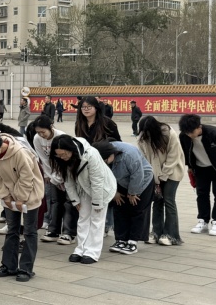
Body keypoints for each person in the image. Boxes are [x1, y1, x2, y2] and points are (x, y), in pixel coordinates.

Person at [0, 129, 44, 281]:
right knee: (12, 229)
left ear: (0, 146)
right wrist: (5, 195)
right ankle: (8, 265)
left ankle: (26, 269)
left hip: (30, 193)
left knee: (29, 232)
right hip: (9, 194)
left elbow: (27, 177)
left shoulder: (20, 152)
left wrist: (21, 198)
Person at [51, 135, 117, 265]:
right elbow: (68, 180)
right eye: (59, 155)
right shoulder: (63, 159)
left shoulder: (91, 154)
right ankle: (80, 249)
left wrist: (97, 202)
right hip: (83, 188)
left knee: (97, 220)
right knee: (83, 218)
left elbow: (98, 181)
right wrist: (75, 200)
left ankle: (92, 252)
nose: (62, 157)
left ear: (71, 149)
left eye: (64, 154)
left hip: (102, 189)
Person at [94, 140, 154, 256]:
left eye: (105, 161)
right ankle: (120, 240)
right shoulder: (99, 155)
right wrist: (114, 192)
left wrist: (133, 193)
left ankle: (133, 242)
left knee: (137, 210)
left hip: (142, 182)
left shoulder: (129, 154)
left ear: (111, 155)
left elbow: (138, 174)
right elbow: (101, 176)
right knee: (119, 209)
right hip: (119, 182)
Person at [178, 113, 216, 237]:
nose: (189, 135)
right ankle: (203, 220)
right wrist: (190, 166)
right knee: (201, 194)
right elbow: (185, 152)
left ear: (199, 127)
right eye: (187, 132)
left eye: (191, 132)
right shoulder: (184, 136)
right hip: (200, 168)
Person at [27, 114, 76, 246]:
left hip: (66, 173)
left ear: (51, 127)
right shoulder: (37, 139)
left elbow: (67, 159)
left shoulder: (61, 136)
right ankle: (53, 230)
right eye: (38, 132)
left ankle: (69, 233)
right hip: (52, 174)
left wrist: (61, 178)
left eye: (43, 132)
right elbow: (43, 158)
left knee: (69, 202)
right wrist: (49, 176)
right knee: (55, 202)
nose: (41, 135)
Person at [136, 116, 186, 246]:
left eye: (148, 132)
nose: (146, 134)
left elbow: (174, 156)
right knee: (157, 200)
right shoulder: (142, 138)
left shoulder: (169, 134)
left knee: (168, 200)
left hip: (172, 172)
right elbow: (144, 158)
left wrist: (163, 175)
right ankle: (156, 232)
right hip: (154, 173)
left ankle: (171, 235)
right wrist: (153, 177)